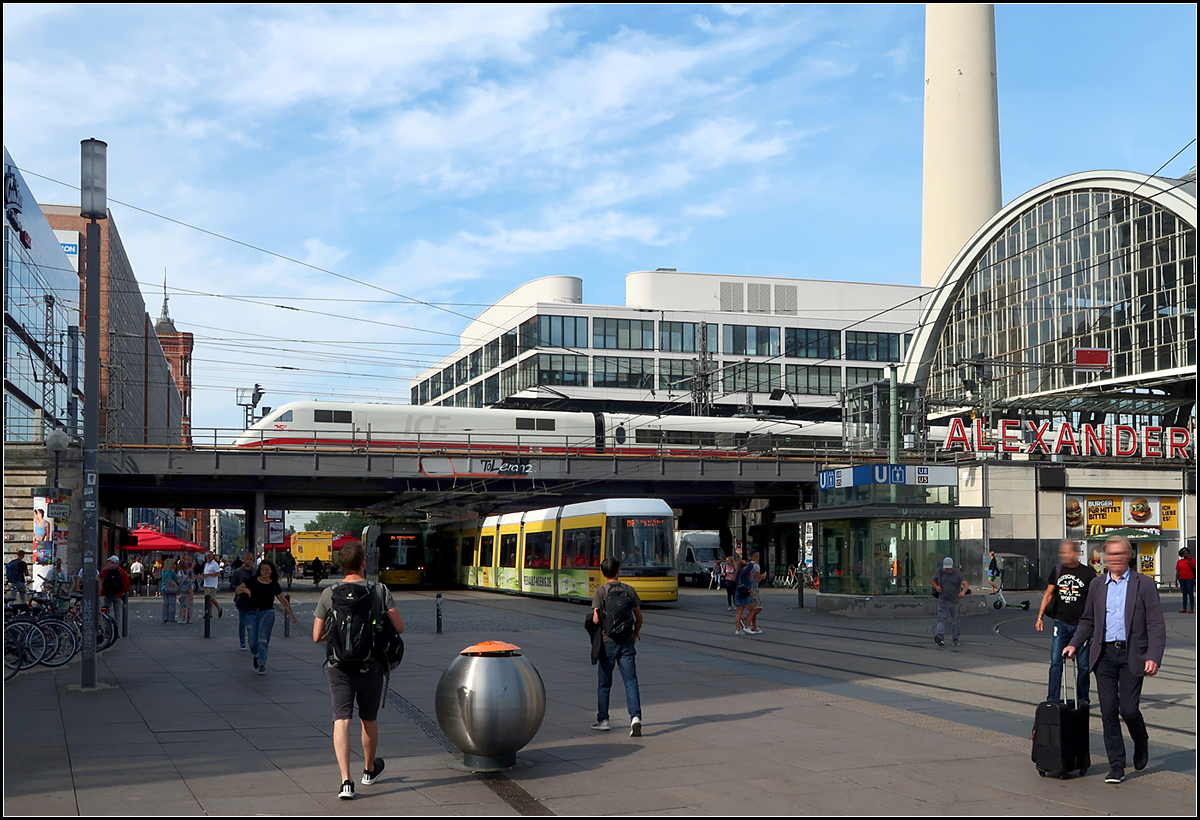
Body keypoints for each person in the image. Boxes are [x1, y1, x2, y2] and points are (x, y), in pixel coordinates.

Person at [1064, 535, 1166, 784]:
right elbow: (1088, 620)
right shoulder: (1098, 585)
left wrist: (1153, 656)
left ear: (1129, 556)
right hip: (1105, 655)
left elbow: (1155, 623)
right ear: (1104, 559)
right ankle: (1117, 765)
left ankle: (1141, 742)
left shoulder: (1144, 585)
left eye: (1120, 554)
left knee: (1129, 710)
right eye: (1111, 555)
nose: (1115, 559)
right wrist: (1074, 643)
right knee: (1109, 711)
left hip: (1133, 654)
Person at [313, 541, 404, 800]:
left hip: (338, 666)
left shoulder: (329, 593)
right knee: (368, 718)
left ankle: (345, 782)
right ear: (364, 563)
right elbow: (399, 627)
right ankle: (369, 769)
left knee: (341, 720)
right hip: (370, 665)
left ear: (341, 565)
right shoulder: (379, 590)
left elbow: (316, 635)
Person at [1035, 539, 1097, 703]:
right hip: (1061, 623)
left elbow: (1095, 599)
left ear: (1076, 553)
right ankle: (1052, 699)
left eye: (1067, 552)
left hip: (1081, 626)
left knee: (1083, 666)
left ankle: (1083, 699)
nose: (1063, 555)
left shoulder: (1088, 573)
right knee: (1056, 662)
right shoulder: (1057, 570)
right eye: (1062, 552)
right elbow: (1048, 594)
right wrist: (1040, 617)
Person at [590, 557, 643, 736]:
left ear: (603, 573)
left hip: (607, 643)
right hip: (627, 642)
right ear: (619, 571)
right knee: (631, 681)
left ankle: (603, 719)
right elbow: (639, 617)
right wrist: (635, 634)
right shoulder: (629, 590)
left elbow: (596, 619)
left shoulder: (601, 592)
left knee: (604, 683)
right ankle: (635, 718)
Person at [234, 559, 297, 676]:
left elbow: (283, 600)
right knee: (253, 641)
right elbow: (237, 590)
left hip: (267, 613)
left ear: (271, 571)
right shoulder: (251, 581)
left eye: (267, 570)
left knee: (263, 639)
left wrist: (291, 615)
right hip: (251, 614)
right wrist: (244, 589)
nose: (264, 572)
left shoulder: (274, 585)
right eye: (262, 569)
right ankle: (256, 654)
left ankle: (262, 663)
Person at [931, 556, 967, 647]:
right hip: (943, 600)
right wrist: (936, 587)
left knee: (955, 621)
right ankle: (940, 636)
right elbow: (933, 581)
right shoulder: (939, 573)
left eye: (949, 567)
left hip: (954, 601)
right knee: (942, 619)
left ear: (953, 565)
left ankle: (955, 639)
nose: (947, 569)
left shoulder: (957, 574)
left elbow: (965, 583)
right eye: (946, 568)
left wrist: (963, 592)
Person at [229, 551, 259, 651]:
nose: (249, 561)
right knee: (242, 622)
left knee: (254, 622)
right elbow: (232, 586)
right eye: (247, 559)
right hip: (242, 600)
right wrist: (240, 589)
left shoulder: (255, 571)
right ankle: (242, 641)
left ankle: (252, 640)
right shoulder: (237, 572)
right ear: (243, 559)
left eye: (251, 559)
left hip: (253, 600)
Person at [99, 555, 130, 628]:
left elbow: (100, 580)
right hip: (118, 595)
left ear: (110, 562)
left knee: (106, 613)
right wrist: (123, 592)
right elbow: (127, 583)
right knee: (117, 614)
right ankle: (117, 631)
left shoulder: (105, 570)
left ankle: (107, 630)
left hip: (106, 594)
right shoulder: (121, 571)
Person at [732, 557, 754, 636]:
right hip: (744, 594)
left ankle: (738, 630)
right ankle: (747, 627)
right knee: (752, 610)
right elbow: (751, 566)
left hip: (738, 593)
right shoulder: (744, 571)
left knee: (739, 612)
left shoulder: (738, 572)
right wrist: (749, 562)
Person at [744, 551, 764, 634]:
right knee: (758, 608)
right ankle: (746, 619)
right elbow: (757, 578)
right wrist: (763, 576)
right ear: (756, 556)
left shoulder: (747, 565)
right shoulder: (756, 566)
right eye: (758, 556)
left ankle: (754, 626)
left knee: (753, 608)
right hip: (753, 589)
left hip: (747, 588)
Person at [200, 550, 223, 619]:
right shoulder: (206, 564)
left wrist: (209, 574)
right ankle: (209, 613)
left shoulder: (214, 564)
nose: (208, 557)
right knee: (208, 600)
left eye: (209, 555)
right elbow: (205, 572)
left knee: (212, 599)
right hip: (206, 583)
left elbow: (218, 573)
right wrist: (203, 575)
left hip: (212, 584)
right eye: (207, 555)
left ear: (212, 556)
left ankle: (219, 608)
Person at [1175, 547, 1195, 614]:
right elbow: (1178, 571)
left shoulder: (1192, 560)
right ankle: (1184, 608)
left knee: (1190, 593)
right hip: (1182, 579)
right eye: (1185, 553)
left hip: (1190, 579)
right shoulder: (1179, 562)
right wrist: (1176, 580)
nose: (1186, 554)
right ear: (1182, 554)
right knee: (1184, 594)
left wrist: (1190, 564)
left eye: (1187, 553)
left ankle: (1191, 608)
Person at [161, 558, 180, 623]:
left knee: (165, 604)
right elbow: (175, 578)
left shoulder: (163, 571)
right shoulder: (171, 571)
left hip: (164, 588)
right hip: (171, 588)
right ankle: (171, 618)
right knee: (171, 604)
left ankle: (164, 617)